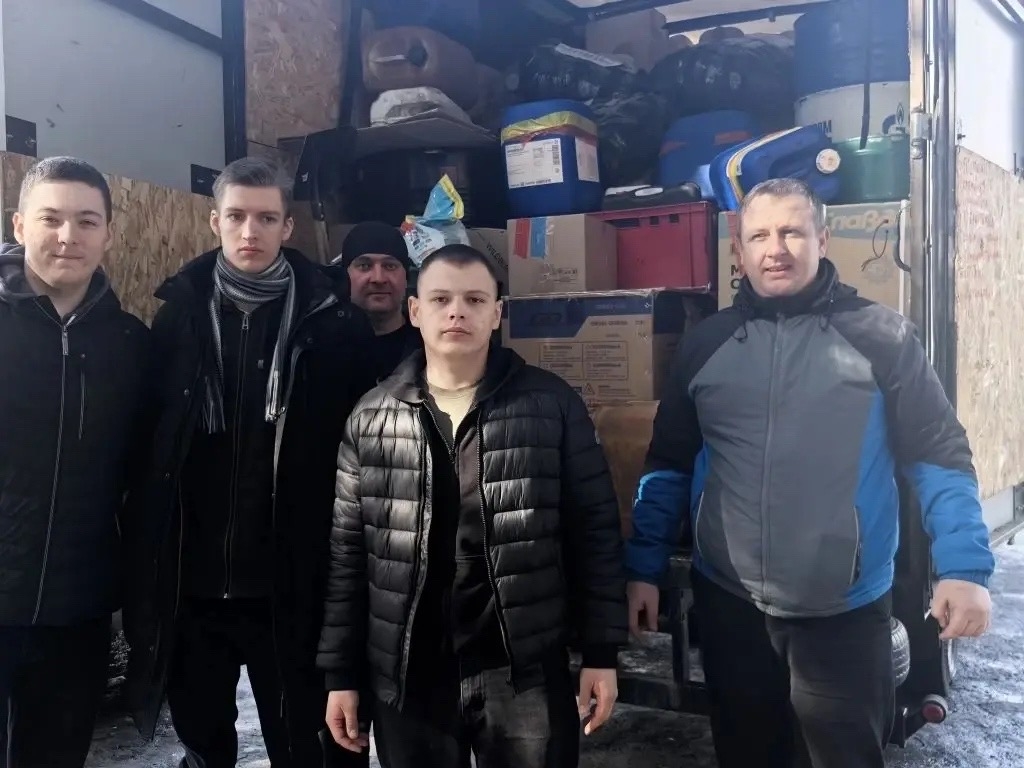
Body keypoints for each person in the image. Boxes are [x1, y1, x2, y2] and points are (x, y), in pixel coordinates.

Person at [626, 178, 996, 768]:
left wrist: (964, 568)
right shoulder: (705, 344)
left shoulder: (881, 336)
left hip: (843, 612)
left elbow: (938, 453)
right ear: (738, 251)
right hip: (732, 608)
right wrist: (643, 568)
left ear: (823, 240)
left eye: (792, 232)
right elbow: (667, 464)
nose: (776, 249)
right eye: (760, 236)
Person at [317, 244, 628, 767]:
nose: (457, 312)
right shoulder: (372, 419)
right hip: (410, 673)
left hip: (522, 672)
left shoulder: (550, 406)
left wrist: (601, 653)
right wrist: (341, 675)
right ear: (415, 311)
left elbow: (594, 532)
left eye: (474, 299)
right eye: (441, 299)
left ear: (497, 313)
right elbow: (349, 557)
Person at [123, 157, 375, 768]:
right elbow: (149, 442)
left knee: (307, 746)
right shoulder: (179, 317)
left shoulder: (332, 325)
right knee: (203, 744)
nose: (249, 232)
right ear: (215, 221)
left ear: (287, 226)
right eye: (236, 216)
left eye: (265, 218)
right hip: (194, 583)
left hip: (291, 583)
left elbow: (360, 453)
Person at [0, 156, 150, 768]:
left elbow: (143, 475)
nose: (69, 236)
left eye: (87, 221)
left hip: (77, 611)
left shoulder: (129, 345)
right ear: (19, 226)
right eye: (51, 218)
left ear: (108, 233)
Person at [329, 221, 420, 383]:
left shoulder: (428, 347)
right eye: (365, 266)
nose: (378, 278)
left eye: (390, 266)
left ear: (406, 278)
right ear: (344, 276)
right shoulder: (321, 349)